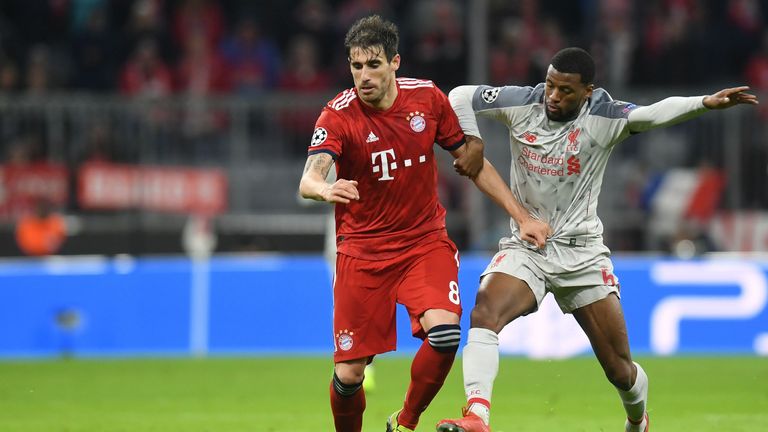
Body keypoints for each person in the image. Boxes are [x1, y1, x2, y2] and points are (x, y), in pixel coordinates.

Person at [435, 47, 759, 432]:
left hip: (583, 255)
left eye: (565, 91)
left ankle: (637, 420)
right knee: (484, 312)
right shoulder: (524, 102)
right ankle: (477, 415)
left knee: (620, 370)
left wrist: (704, 103)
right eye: (550, 86)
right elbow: (458, 95)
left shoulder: (605, 117)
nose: (552, 97)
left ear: (588, 91)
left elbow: (653, 112)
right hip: (528, 247)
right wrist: (473, 142)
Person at [298, 15, 549, 432]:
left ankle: (405, 423)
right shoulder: (337, 115)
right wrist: (325, 190)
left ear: (395, 62)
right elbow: (309, 176)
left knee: (446, 334)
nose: (364, 76)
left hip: (422, 243)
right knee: (349, 377)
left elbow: (472, 164)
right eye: (356, 66)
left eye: (373, 65)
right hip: (362, 252)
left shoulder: (428, 99)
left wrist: (521, 216)